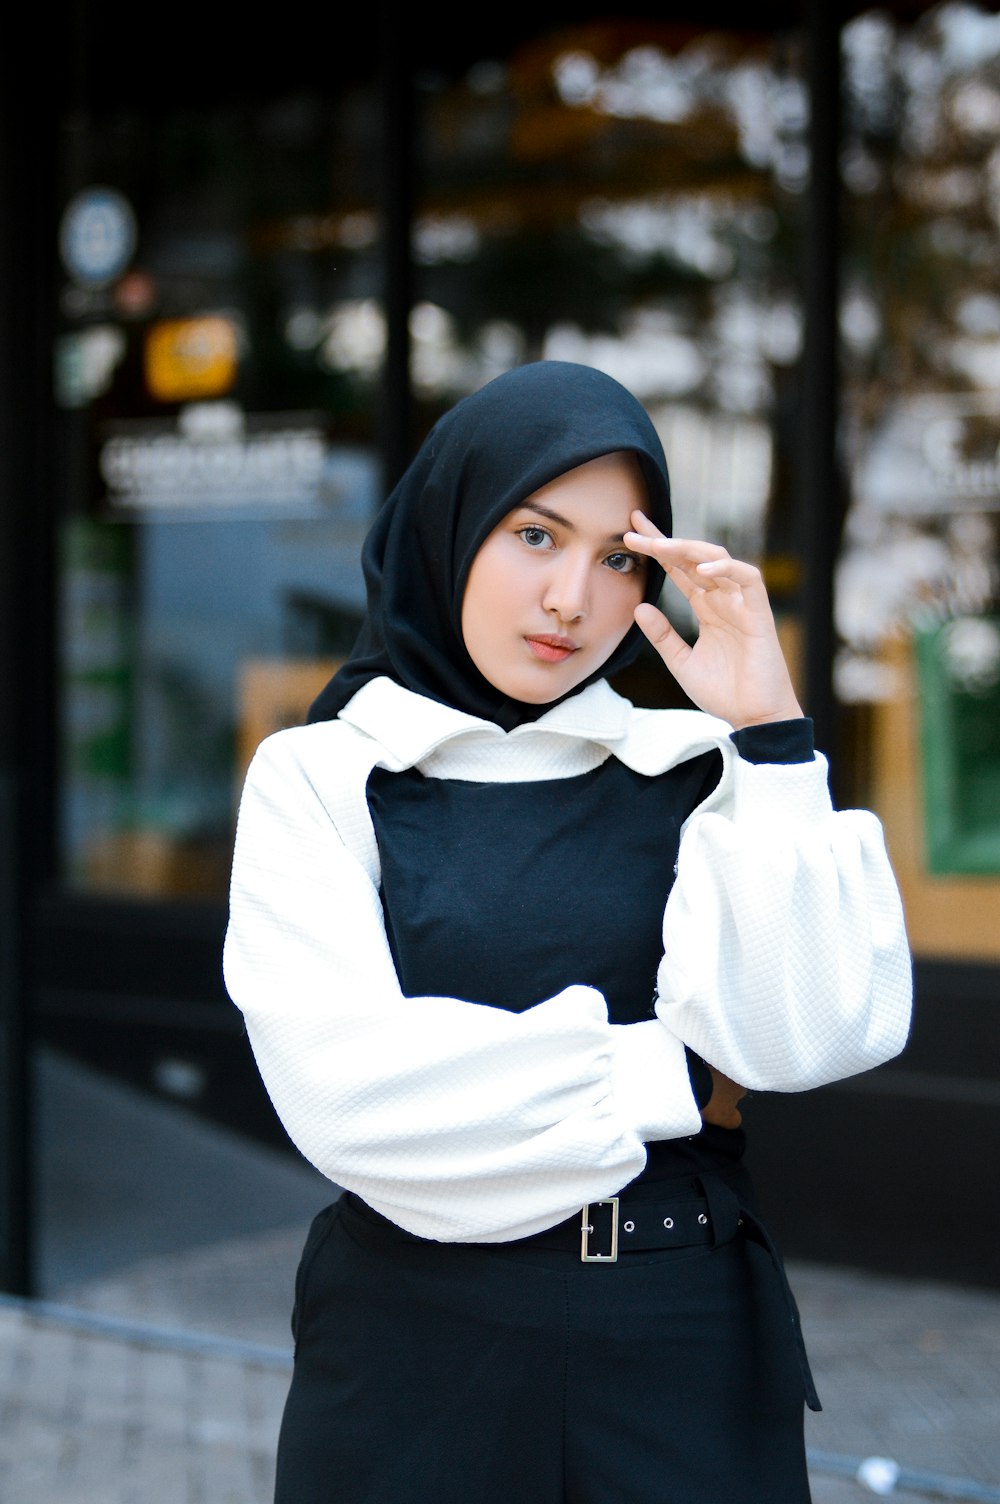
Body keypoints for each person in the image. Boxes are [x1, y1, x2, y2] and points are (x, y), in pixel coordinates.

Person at [223, 359, 912, 1504]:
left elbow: (812, 1033)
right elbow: (350, 1097)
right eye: (536, 537)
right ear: (451, 524)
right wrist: (674, 1074)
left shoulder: (688, 764)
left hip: (679, 1329)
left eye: (619, 559)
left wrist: (771, 740)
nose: (571, 602)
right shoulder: (327, 775)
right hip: (413, 1344)